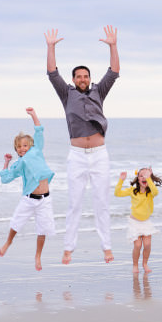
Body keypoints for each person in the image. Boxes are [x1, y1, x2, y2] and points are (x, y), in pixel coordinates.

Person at [46, 26, 120, 264]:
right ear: (73, 79)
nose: (82, 79)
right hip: (77, 155)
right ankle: (68, 248)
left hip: (100, 155)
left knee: (102, 203)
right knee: (74, 203)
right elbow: (52, 73)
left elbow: (114, 71)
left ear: (89, 78)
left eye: (85, 76)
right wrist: (51, 47)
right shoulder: (67, 94)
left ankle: (106, 247)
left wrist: (112, 46)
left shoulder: (99, 91)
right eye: (78, 76)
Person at [0, 107, 56, 271]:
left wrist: (33, 115)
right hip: (29, 199)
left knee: (42, 229)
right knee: (16, 222)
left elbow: (39, 130)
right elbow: (6, 178)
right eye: (18, 147)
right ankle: (8, 241)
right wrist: (7, 163)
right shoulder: (20, 163)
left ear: (31, 145)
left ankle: (38, 256)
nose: (22, 148)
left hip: (45, 199)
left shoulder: (37, 150)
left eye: (25, 145)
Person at [115, 167, 162, 274]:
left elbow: (156, 191)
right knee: (137, 245)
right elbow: (117, 193)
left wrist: (148, 179)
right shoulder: (132, 191)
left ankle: (145, 263)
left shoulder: (151, 192)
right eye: (141, 175)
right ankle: (135, 265)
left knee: (147, 245)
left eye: (146, 175)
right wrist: (121, 180)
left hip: (146, 223)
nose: (144, 177)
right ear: (138, 178)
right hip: (134, 222)